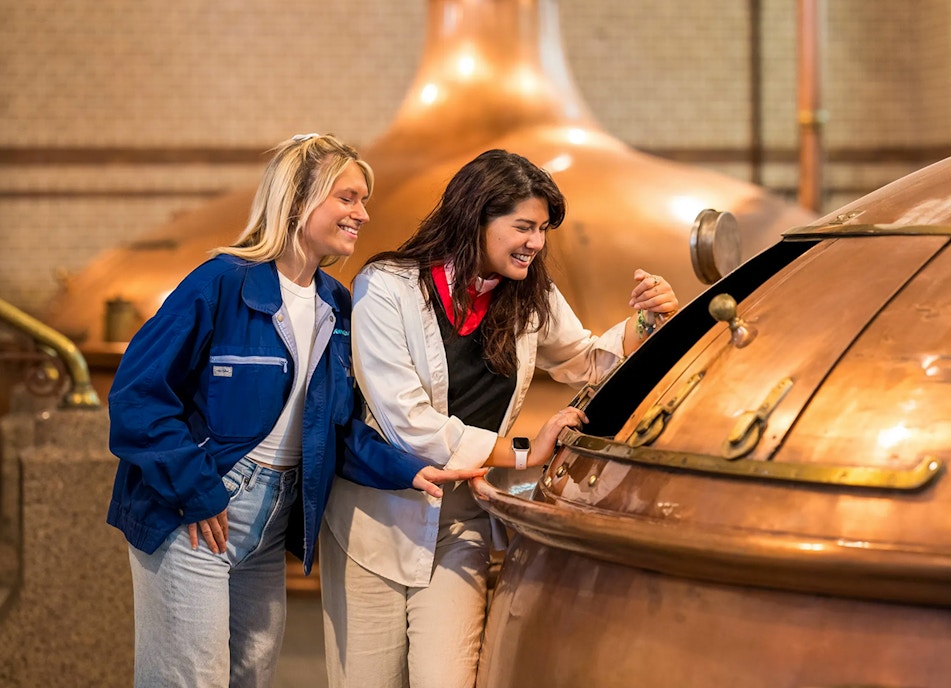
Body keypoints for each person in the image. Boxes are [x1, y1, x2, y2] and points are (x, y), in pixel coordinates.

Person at [106, 133, 484, 688]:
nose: (363, 213)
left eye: (363, 200)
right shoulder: (222, 282)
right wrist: (196, 490)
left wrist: (407, 468)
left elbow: (336, 427)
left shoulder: (337, 303)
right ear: (298, 198)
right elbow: (138, 395)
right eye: (348, 197)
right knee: (192, 680)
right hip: (196, 510)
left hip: (271, 520)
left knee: (251, 677)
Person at [320, 148, 679, 688]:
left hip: (460, 523)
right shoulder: (387, 285)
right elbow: (408, 423)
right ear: (476, 218)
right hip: (373, 525)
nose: (536, 242)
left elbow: (586, 361)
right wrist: (521, 453)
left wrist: (649, 322)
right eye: (523, 226)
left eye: (542, 230)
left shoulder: (530, 294)